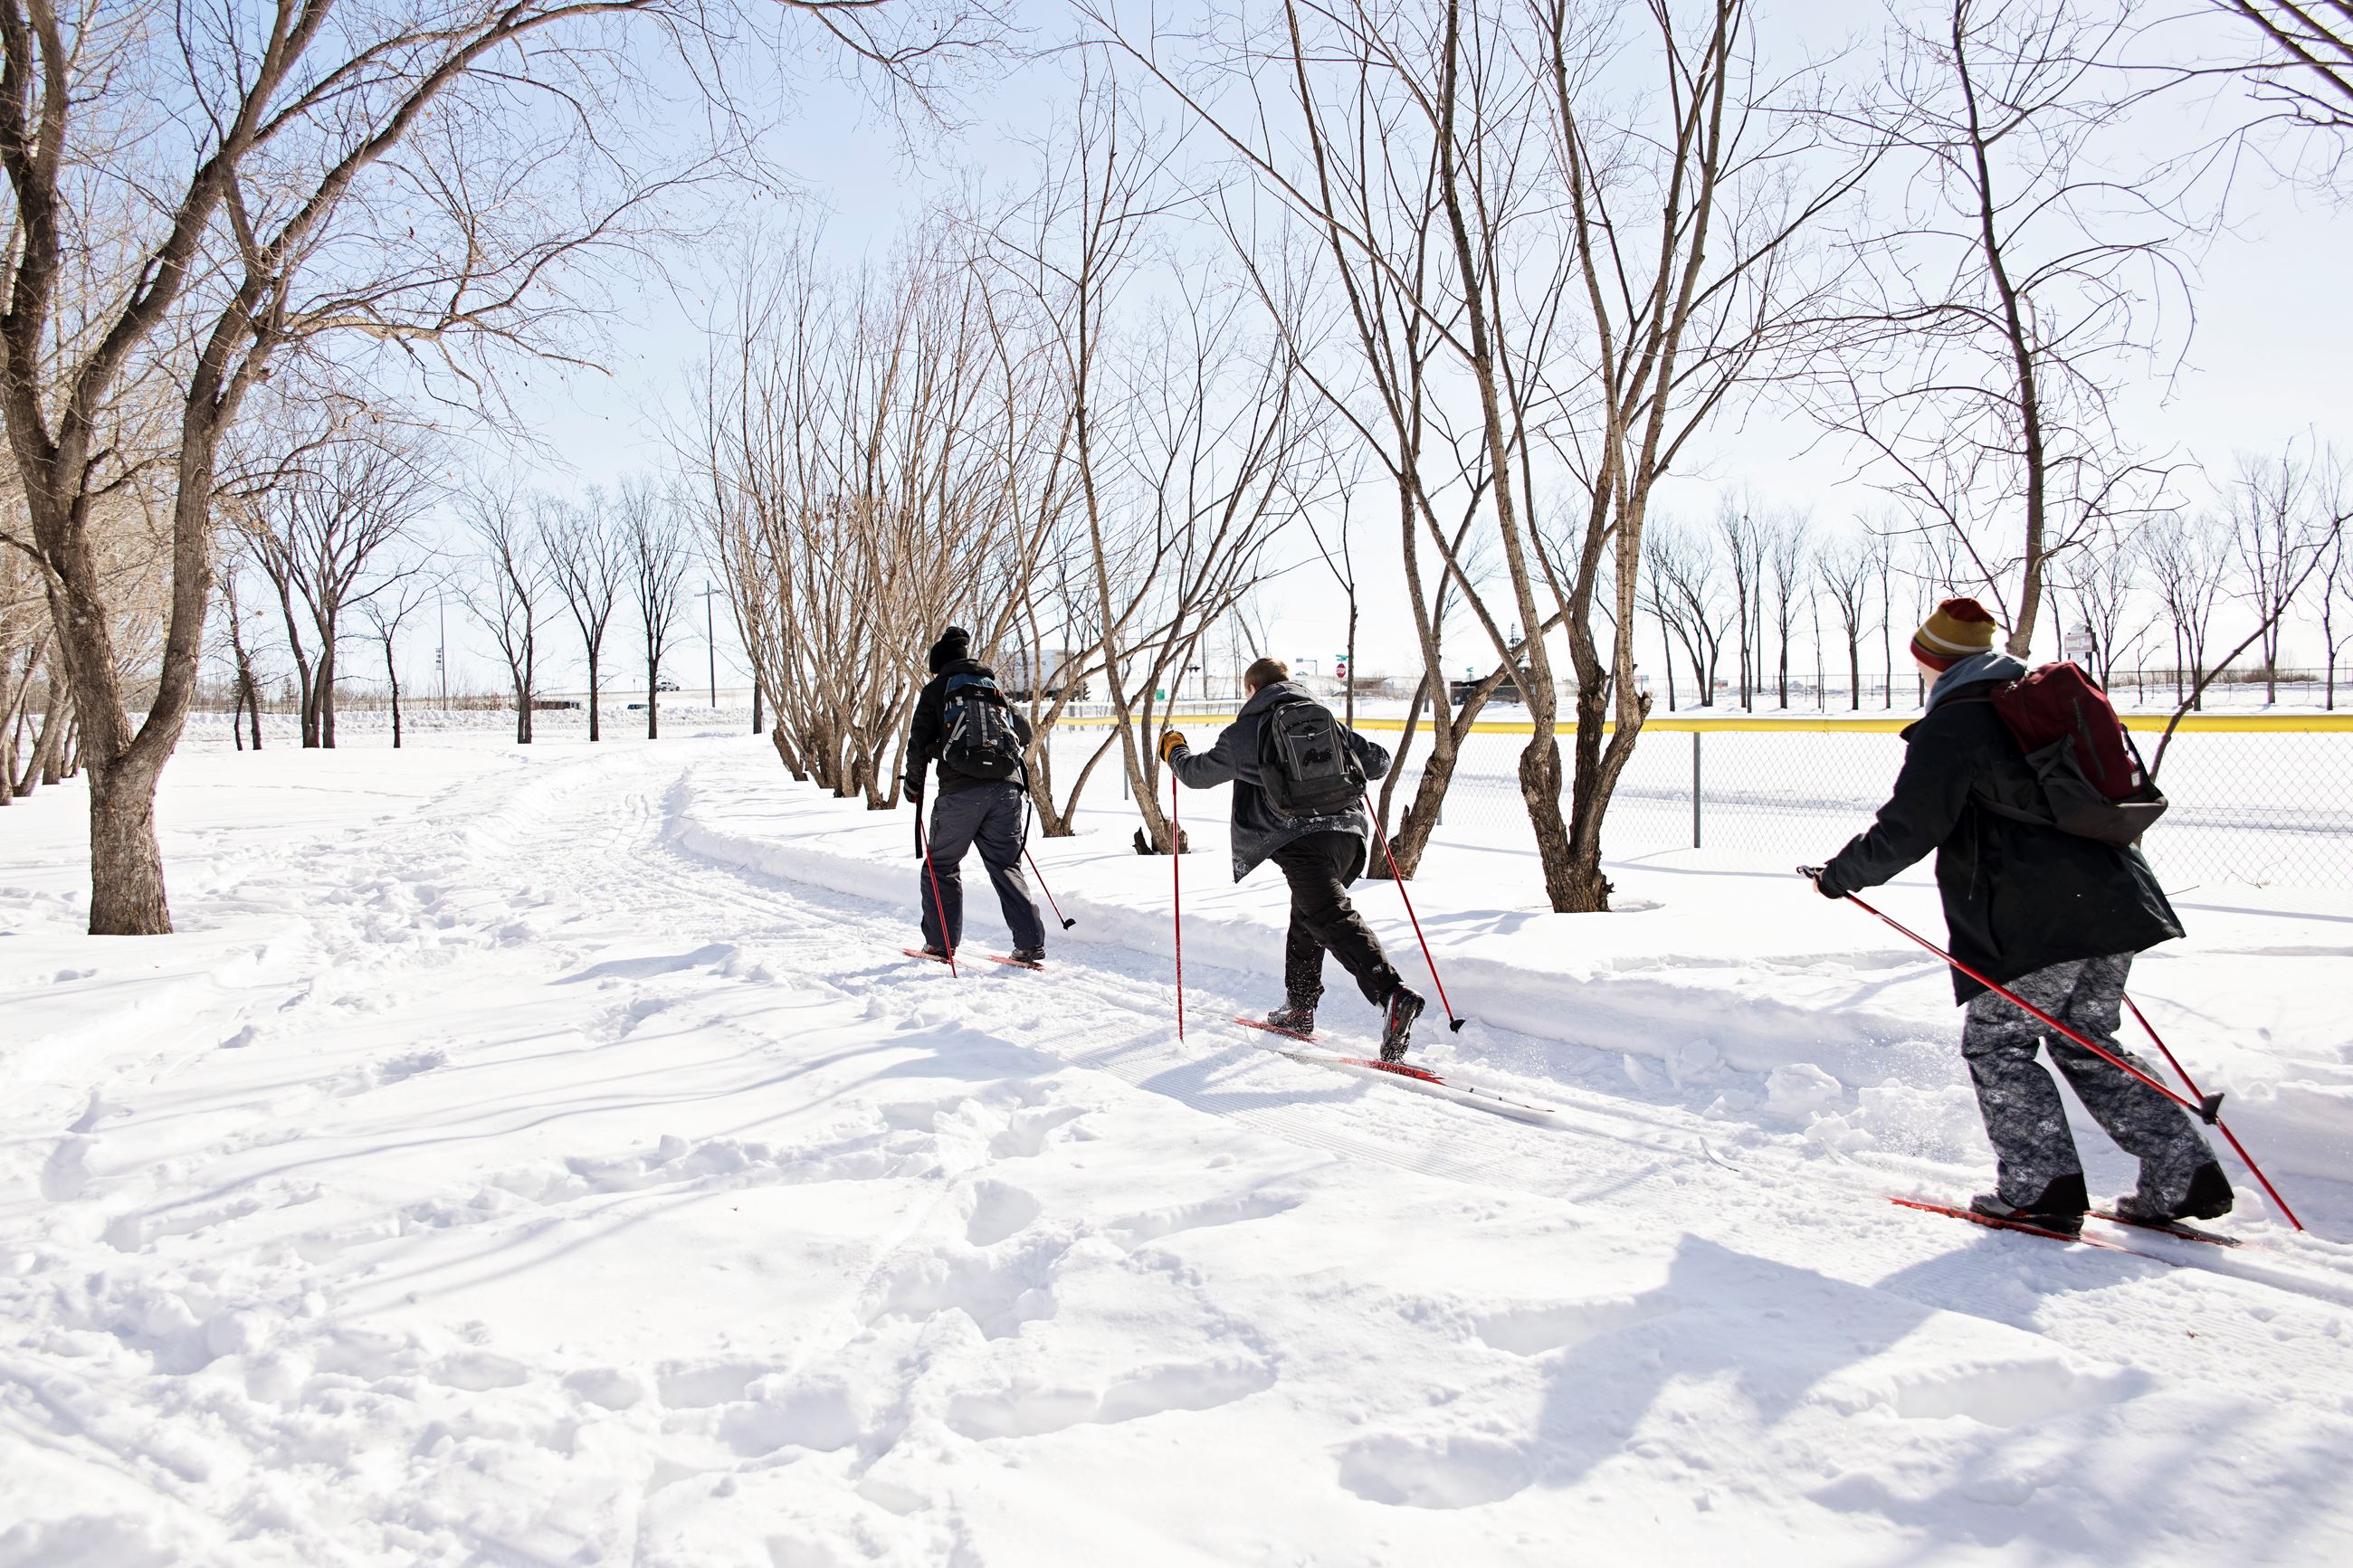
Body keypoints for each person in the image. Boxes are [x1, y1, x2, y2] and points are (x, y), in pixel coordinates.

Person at [1813, 596, 2231, 1235]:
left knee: (1998, 1043)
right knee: (2085, 1039)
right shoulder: (2032, 703)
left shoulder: (1956, 721)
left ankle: (2041, 1189)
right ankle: (2181, 1173)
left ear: (1931, 661)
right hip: (2115, 898)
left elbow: (1911, 824)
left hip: (2037, 919)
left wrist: (1841, 875)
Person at [1160, 657, 1426, 1061]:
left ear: (1251, 690)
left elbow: (1197, 775)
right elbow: (1379, 762)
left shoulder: (1248, 731)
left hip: (1301, 838)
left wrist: (1175, 751)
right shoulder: (1324, 721)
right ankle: (1299, 1008)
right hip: (1350, 838)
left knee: (1329, 917)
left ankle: (1392, 995)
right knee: (1307, 915)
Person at [903, 626, 1047, 965]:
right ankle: (1030, 945)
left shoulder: (937, 689)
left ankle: (940, 945)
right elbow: (1024, 732)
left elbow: (916, 743)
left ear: (939, 665)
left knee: (941, 865)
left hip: (960, 792)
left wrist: (914, 785)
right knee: (1005, 864)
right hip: (1007, 789)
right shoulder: (992, 689)